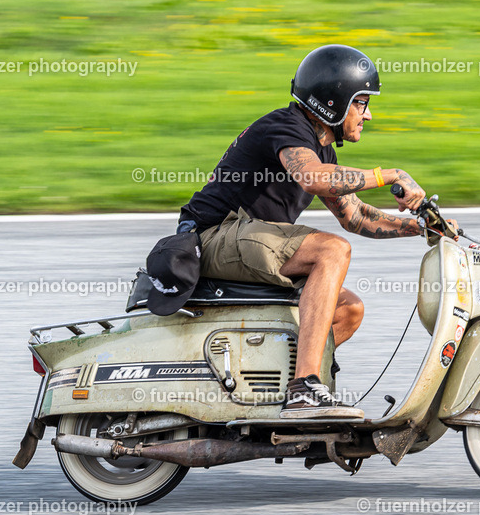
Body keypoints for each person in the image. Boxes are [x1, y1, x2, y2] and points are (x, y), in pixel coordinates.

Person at [178, 44, 428, 419]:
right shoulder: (286, 127)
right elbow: (312, 179)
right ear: (335, 101)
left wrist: (422, 227)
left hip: (242, 238)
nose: (369, 115)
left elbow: (355, 216)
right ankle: (304, 389)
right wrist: (389, 175)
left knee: (349, 310)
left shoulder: (320, 148)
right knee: (331, 251)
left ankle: (280, 389)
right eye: (361, 102)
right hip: (209, 237)